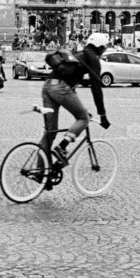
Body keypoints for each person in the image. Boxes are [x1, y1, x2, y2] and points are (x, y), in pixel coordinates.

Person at [40, 41, 110, 188]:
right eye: (104, 48)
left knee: (50, 133)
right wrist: (102, 115)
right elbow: (96, 87)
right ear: (100, 47)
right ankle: (62, 147)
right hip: (60, 88)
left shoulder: (78, 55)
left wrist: (80, 107)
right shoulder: (93, 59)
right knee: (83, 118)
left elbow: (71, 85)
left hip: (47, 86)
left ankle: (41, 171)